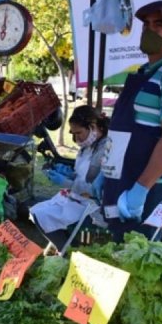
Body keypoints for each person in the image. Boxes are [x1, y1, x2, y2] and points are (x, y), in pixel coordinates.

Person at [93, 0, 162, 246]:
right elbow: (123, 129)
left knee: (140, 261)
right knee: (118, 252)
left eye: (159, 24)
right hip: (121, 178)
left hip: (149, 187)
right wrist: (105, 171)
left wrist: (140, 190)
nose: (150, 30)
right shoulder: (144, 72)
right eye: (147, 24)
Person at [30, 106, 110, 250]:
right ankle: (65, 247)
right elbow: (82, 175)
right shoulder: (87, 146)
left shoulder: (105, 149)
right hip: (78, 198)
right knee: (36, 211)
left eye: (79, 133)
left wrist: (66, 182)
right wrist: (67, 173)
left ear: (92, 127)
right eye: (73, 134)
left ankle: (67, 250)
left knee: (42, 214)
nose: (76, 138)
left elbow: (95, 188)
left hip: (93, 204)